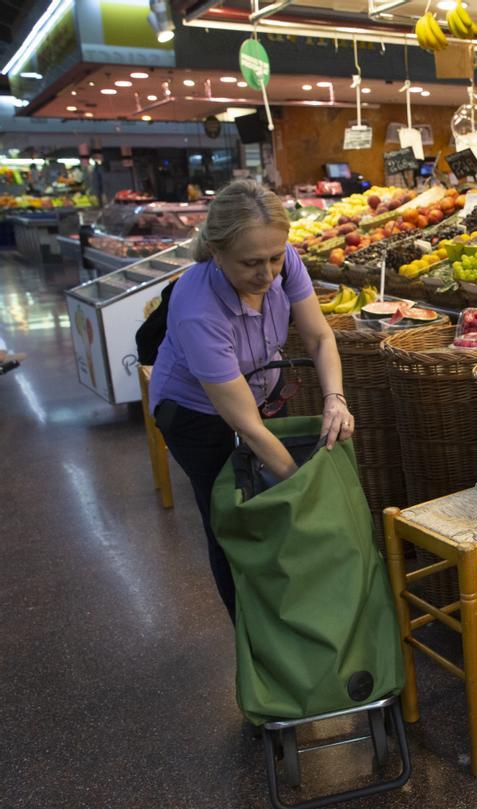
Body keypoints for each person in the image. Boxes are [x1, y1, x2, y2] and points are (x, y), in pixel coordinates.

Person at [149, 180, 353, 621]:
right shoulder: (198, 309)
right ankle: (251, 629)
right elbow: (248, 427)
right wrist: (303, 486)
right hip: (193, 414)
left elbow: (319, 337)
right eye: (250, 263)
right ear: (216, 254)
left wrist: (335, 398)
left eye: (275, 258)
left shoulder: (284, 263)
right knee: (230, 517)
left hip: (258, 387)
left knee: (276, 499)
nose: (267, 274)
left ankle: (293, 611)